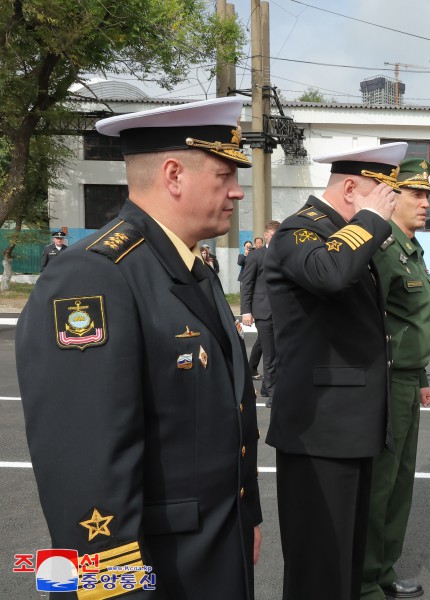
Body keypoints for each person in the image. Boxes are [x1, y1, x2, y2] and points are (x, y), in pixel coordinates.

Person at [16, 96, 263, 598]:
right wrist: (113, 591)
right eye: (224, 176)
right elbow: (86, 473)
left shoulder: (191, 267)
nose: (237, 193)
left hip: (216, 551)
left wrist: (247, 514)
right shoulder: (93, 276)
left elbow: (230, 416)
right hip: (161, 572)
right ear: (174, 174)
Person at [265, 141, 406, 600]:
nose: (389, 209)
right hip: (319, 428)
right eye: (384, 196)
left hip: (348, 426)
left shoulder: (341, 232)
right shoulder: (298, 232)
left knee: (344, 562)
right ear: (351, 187)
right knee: (319, 568)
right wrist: (370, 220)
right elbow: (329, 274)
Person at [361, 158, 430, 600]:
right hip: (387, 383)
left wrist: (422, 374)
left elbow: (410, 322)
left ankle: (385, 569)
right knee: (381, 483)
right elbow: (370, 321)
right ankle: (366, 579)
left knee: (401, 482)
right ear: (392, 197)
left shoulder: (411, 248)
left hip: (409, 380)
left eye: (427, 195)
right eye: (416, 194)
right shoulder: (385, 250)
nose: (425, 203)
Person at [241, 220, 280, 406]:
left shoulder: (285, 253)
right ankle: (273, 392)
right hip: (263, 310)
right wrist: (246, 311)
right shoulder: (256, 255)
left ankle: (266, 386)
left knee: (278, 351)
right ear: (265, 235)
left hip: (282, 311)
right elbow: (247, 284)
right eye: (272, 234)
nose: (275, 238)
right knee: (270, 354)